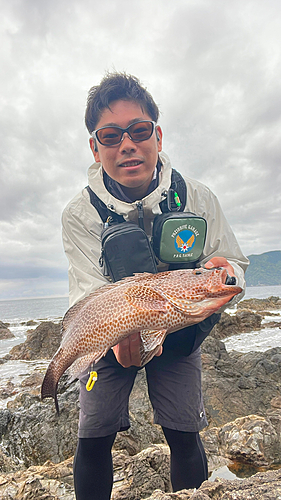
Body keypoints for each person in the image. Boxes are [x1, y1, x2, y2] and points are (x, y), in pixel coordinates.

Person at [62, 72, 248, 500]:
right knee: (94, 435)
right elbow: (88, 290)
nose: (127, 144)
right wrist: (114, 337)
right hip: (108, 330)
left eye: (139, 130)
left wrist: (228, 274)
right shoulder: (79, 214)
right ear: (95, 147)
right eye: (110, 135)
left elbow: (234, 264)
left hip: (180, 327)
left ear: (157, 136)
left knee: (184, 433)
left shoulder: (197, 196)